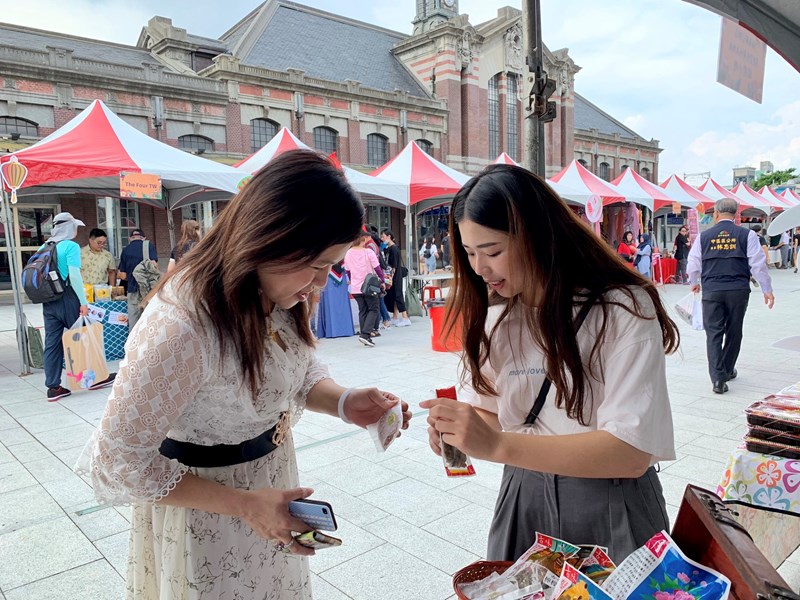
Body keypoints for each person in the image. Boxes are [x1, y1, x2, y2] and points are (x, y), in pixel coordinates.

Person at [75, 151, 410, 600]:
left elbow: (294, 366)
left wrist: (345, 401)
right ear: (269, 238)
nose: (320, 283)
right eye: (315, 266)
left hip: (272, 487)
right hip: (204, 510)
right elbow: (116, 463)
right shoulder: (181, 324)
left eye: (331, 266)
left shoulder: (278, 290)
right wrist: (244, 506)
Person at [420, 164, 677, 564]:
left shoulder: (622, 309)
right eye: (469, 254)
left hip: (611, 498)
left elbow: (630, 452)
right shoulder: (495, 318)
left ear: (539, 235)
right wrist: (462, 430)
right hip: (524, 495)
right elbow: (488, 412)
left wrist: (499, 444)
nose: (479, 268)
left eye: (492, 251)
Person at [687, 198, 774, 394]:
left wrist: (694, 283)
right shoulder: (747, 235)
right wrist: (767, 289)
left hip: (712, 290)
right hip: (738, 290)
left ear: (716, 213)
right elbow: (758, 264)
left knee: (714, 334)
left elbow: (693, 264)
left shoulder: (704, 236)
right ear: (736, 215)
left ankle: (718, 379)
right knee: (734, 330)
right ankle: (726, 369)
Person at [42, 214, 115, 401]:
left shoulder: (45, 246)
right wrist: (83, 302)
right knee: (85, 337)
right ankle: (95, 378)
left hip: (49, 300)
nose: (76, 230)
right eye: (74, 226)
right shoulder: (71, 246)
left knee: (52, 343)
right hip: (67, 297)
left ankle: (53, 387)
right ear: (68, 228)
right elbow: (74, 276)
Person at [344, 231, 385, 347]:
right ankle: (366, 334)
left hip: (356, 287)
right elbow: (378, 269)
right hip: (369, 287)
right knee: (374, 309)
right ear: (362, 239)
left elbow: (347, 271)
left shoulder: (348, 253)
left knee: (363, 310)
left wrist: (353, 280)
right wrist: (382, 281)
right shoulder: (368, 252)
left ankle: (364, 335)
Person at [118, 228, 158, 331]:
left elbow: (122, 275)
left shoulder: (125, 250)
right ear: (144, 238)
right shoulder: (148, 245)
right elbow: (154, 266)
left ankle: (133, 345)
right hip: (149, 292)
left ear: (130, 238)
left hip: (133, 291)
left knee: (134, 325)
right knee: (150, 323)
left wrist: (133, 277)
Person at [381, 229, 411, 327]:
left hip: (395, 275)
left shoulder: (394, 249)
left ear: (389, 237)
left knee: (398, 295)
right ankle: (395, 316)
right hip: (391, 275)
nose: (382, 239)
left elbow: (393, 266)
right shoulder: (388, 248)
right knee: (394, 296)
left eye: (383, 237)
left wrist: (390, 277)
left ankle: (405, 317)